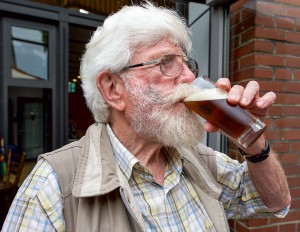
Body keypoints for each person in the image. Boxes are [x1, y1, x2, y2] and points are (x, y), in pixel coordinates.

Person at [2, 2, 290, 232]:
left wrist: (253, 141)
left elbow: (275, 203)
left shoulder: (198, 161)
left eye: (186, 63)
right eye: (166, 62)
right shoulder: (52, 186)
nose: (189, 76)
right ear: (114, 89)